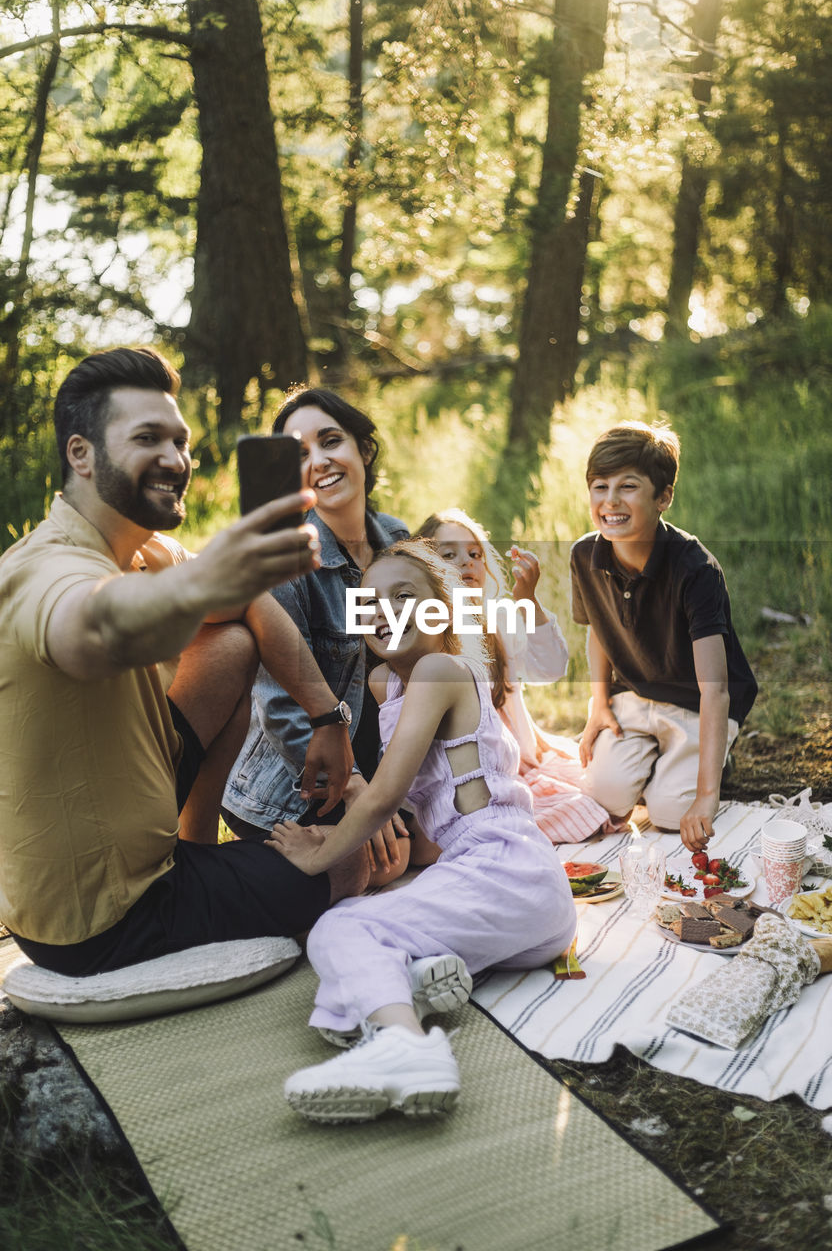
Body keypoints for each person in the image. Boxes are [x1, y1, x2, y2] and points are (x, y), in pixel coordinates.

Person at [0, 346, 369, 977]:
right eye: (148, 439)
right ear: (81, 454)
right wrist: (203, 585)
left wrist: (327, 718)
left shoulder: (141, 547)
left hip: (139, 819)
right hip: (99, 915)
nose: (175, 461)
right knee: (346, 862)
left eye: (181, 441)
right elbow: (88, 630)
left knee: (229, 642)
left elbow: (248, 604)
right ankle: (194, 885)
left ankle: (196, 849)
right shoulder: (44, 570)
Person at [266, 540, 575, 1123]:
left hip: (506, 869)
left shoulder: (440, 670)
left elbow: (383, 795)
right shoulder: (397, 687)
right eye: (369, 604)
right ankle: (416, 984)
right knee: (387, 927)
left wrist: (320, 854)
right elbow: (432, 826)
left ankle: (405, 1046)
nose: (386, 612)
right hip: (527, 908)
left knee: (338, 931)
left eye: (405, 597)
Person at [222, 387, 426, 883]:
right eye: (299, 454)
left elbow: (423, 661)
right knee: (380, 864)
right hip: (295, 782)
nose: (319, 461)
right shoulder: (288, 558)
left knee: (442, 839)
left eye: (331, 441)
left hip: (378, 764)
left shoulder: (397, 540)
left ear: (364, 450)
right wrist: (358, 791)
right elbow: (281, 708)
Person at [570, 420, 758, 853]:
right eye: (600, 486)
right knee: (606, 797)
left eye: (628, 487)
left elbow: (716, 691)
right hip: (634, 695)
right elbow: (600, 630)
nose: (611, 501)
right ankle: (658, 762)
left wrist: (707, 797)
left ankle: (713, 757)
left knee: (673, 813)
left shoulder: (696, 570)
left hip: (694, 702)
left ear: (663, 497)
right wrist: (598, 704)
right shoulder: (585, 554)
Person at [416, 509, 610, 843]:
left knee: (602, 790)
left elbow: (551, 667)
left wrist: (527, 602)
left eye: (475, 554)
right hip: (468, 773)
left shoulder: (499, 621)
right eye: (449, 554)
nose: (466, 561)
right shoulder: (424, 636)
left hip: (521, 762)